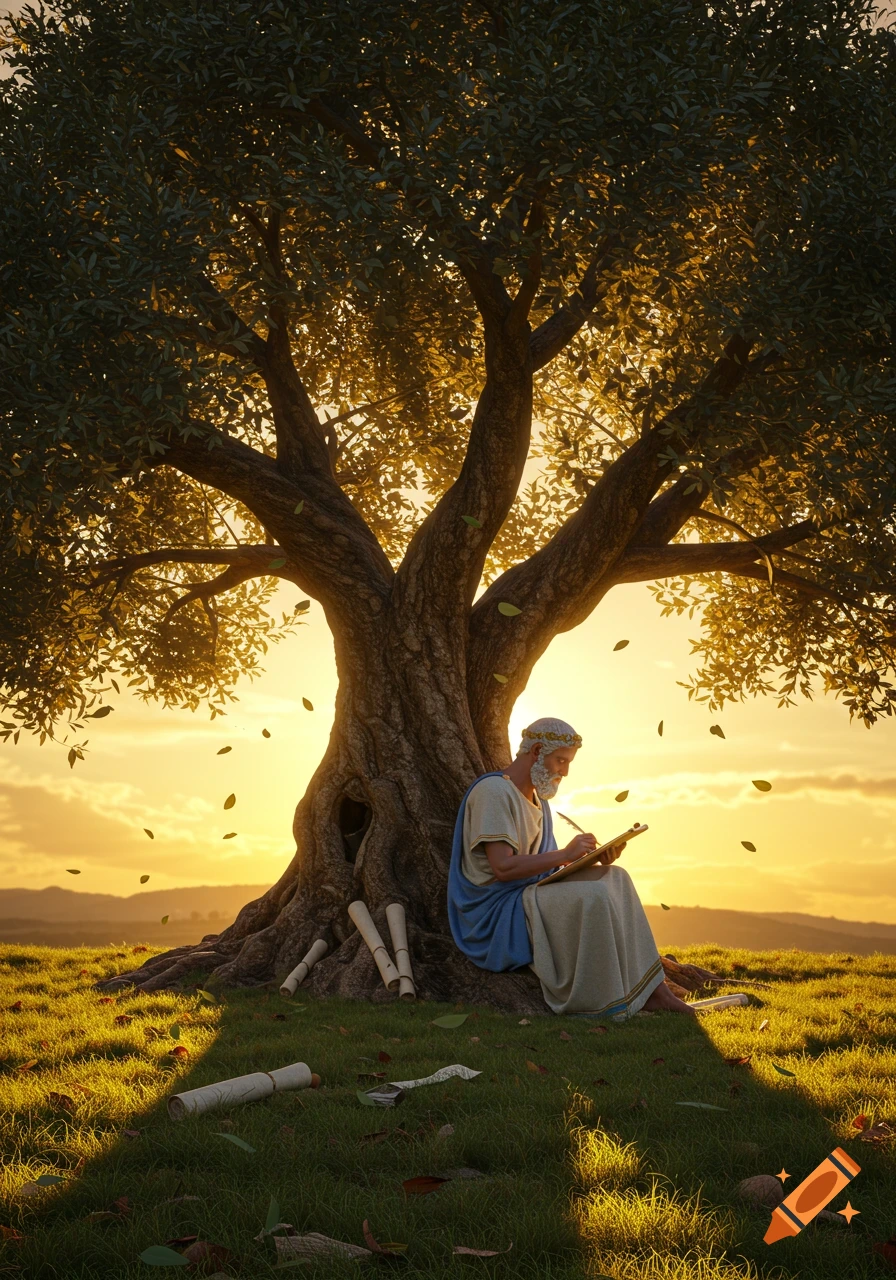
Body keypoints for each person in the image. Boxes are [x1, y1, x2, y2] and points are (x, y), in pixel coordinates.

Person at [447, 717, 696, 1019]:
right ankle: (603, 1000)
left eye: (567, 763)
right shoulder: (494, 792)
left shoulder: (539, 801)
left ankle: (656, 992)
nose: (564, 771)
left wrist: (591, 860)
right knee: (593, 897)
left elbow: (549, 872)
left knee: (615, 878)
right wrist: (566, 853)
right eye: (560, 761)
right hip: (496, 913)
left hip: (527, 894)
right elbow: (503, 868)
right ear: (537, 750)